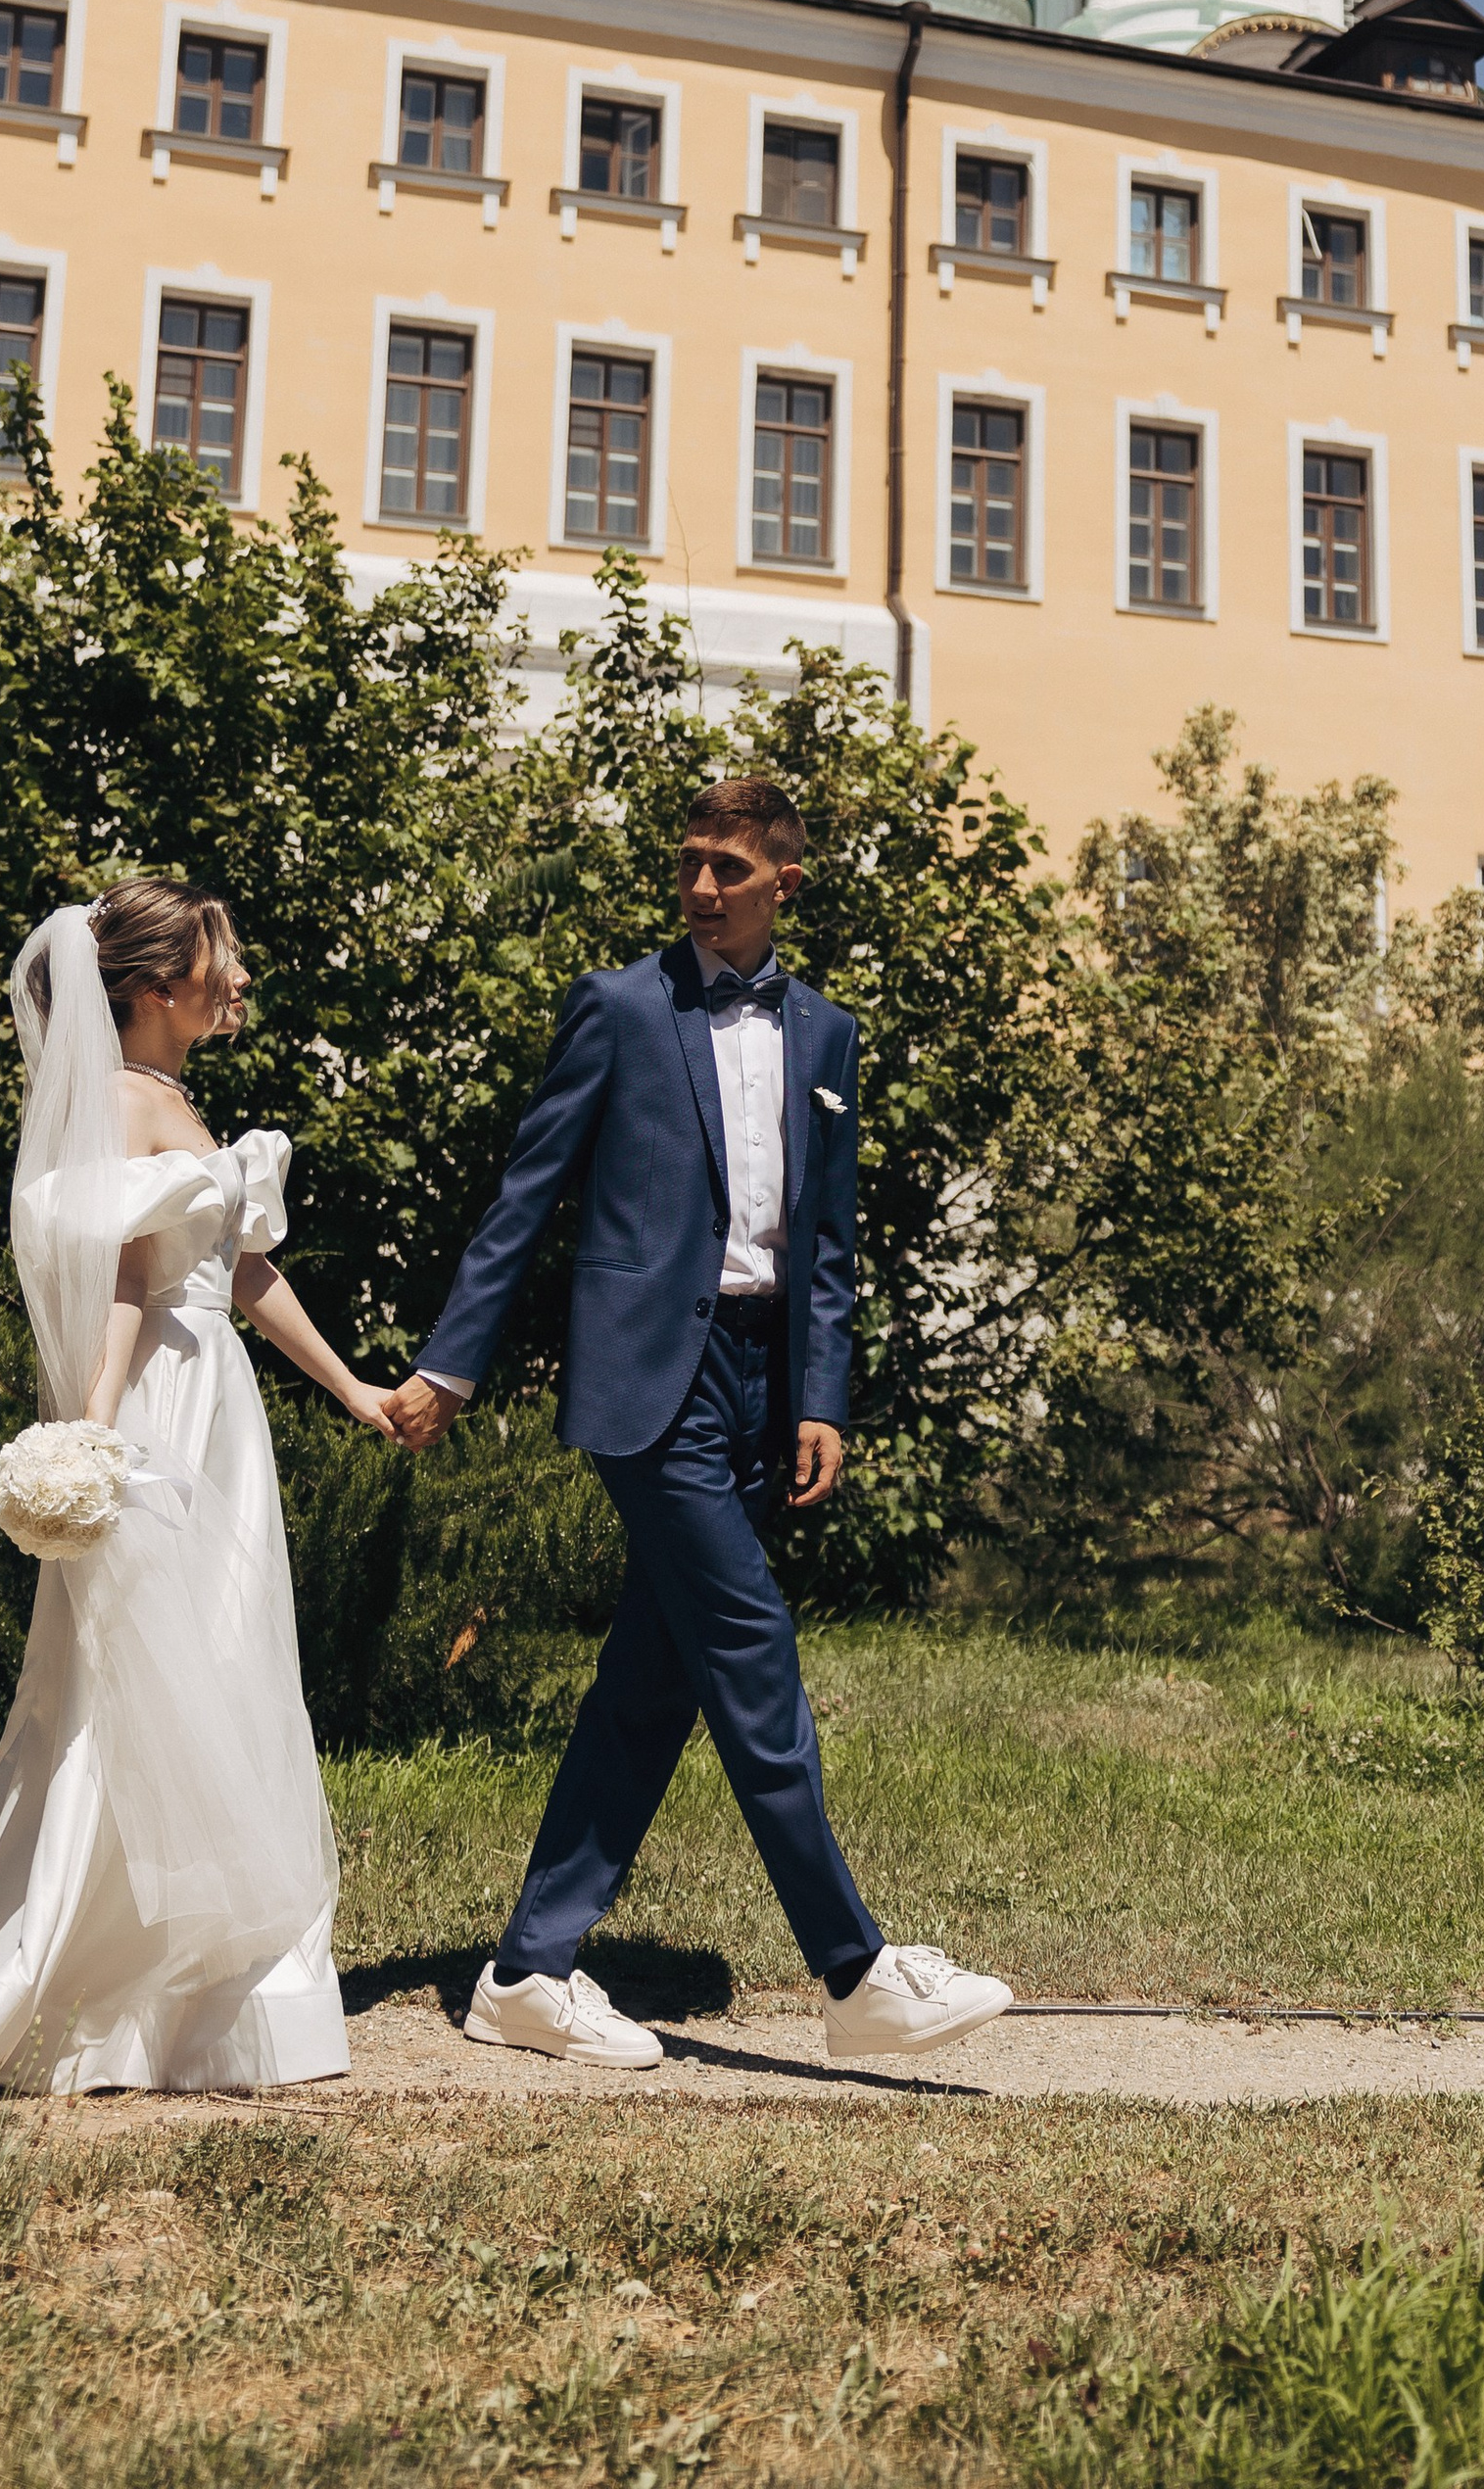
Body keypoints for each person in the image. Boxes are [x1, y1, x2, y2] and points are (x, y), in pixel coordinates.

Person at [386, 779, 1013, 2070]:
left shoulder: (826, 1034)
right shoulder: (621, 1007)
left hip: (752, 1383)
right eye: (690, 864)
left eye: (730, 867)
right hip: (645, 1382)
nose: (702, 887)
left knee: (649, 1687)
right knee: (751, 1650)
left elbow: (825, 1244)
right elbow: (526, 1198)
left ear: (786, 881)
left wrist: (819, 1396)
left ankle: (526, 1969)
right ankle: (854, 1970)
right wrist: (452, 1365)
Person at [0, 883, 395, 2101]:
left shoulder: (171, 1098)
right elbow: (117, 1269)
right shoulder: (117, 1102)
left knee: (211, 1681)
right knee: (126, 1700)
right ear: (159, 988)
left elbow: (238, 1266)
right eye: (225, 959)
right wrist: (93, 1437)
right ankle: (12, 2000)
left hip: (219, 1412)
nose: (241, 979)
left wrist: (353, 1390)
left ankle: (191, 2003)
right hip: (163, 1409)